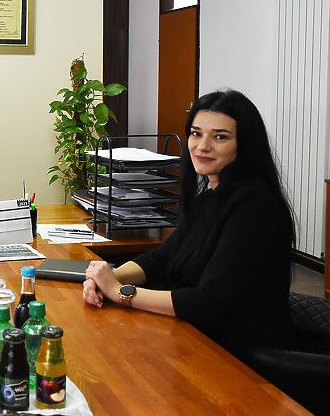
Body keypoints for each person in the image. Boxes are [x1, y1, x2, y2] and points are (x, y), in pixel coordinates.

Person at [82, 89, 294, 358]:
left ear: (245, 144)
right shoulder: (210, 198)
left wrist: (119, 292)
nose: (202, 146)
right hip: (194, 337)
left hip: (237, 359)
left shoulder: (256, 206)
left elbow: (208, 302)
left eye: (220, 136)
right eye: (196, 133)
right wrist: (104, 279)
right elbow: (159, 259)